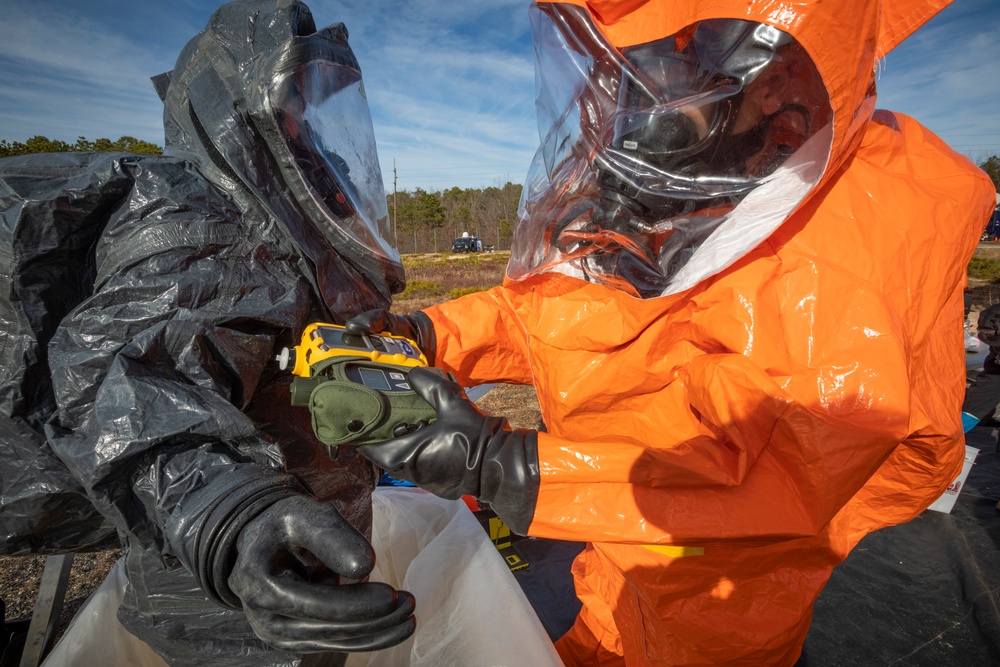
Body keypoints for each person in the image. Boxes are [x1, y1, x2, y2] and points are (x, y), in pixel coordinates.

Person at [345, 0, 997, 664]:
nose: (619, 104)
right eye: (608, 70)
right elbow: (567, 313)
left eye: (650, 70)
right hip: (615, 558)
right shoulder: (701, 182)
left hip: (724, 603)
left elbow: (777, 462)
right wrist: (426, 333)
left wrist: (505, 464)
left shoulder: (860, 226)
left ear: (765, 74)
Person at [0, 1, 416, 665]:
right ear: (232, 112)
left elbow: (302, 330)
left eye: (313, 107)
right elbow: (120, 378)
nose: (307, 129)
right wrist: (229, 512)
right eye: (291, 106)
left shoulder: (284, 220)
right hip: (229, 598)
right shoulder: (198, 219)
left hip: (294, 560)